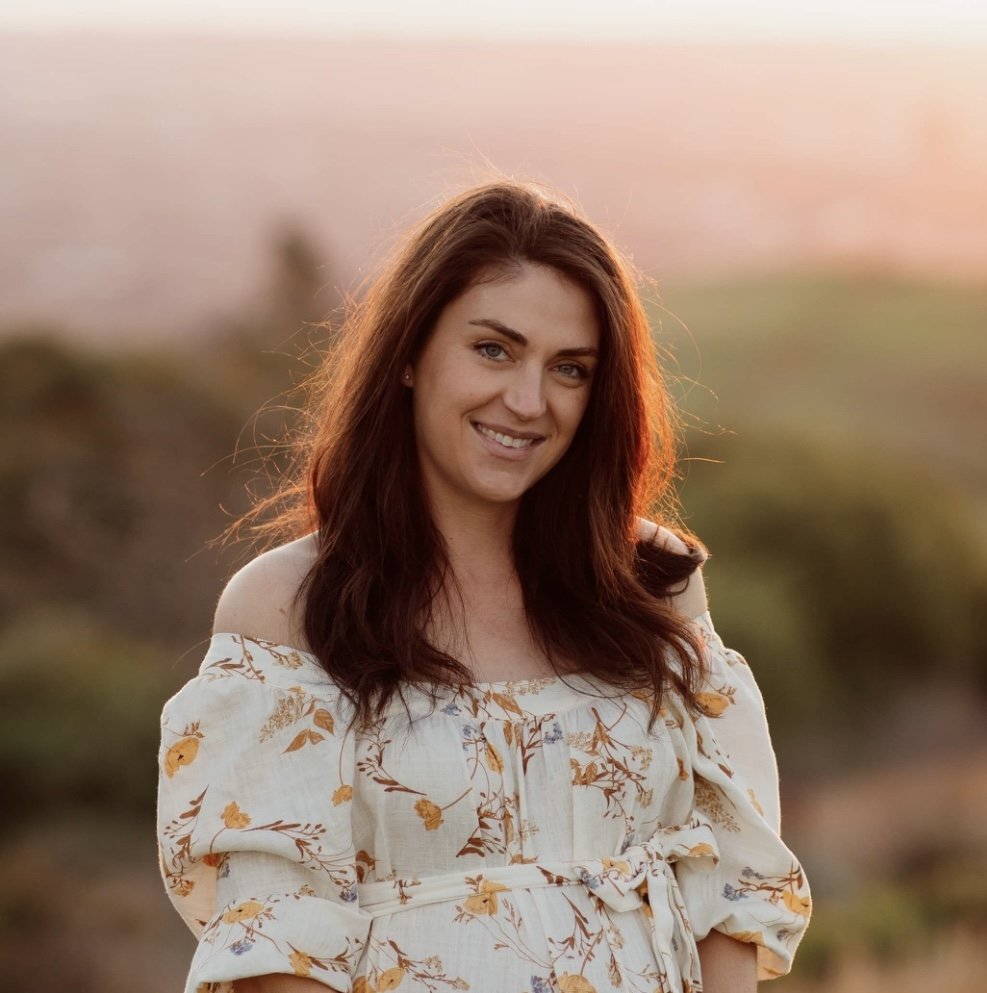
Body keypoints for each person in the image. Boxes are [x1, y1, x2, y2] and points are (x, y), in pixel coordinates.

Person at [157, 181, 811, 993]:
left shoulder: (651, 584)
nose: (527, 401)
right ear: (408, 353)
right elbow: (275, 943)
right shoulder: (289, 607)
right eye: (493, 349)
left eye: (568, 369)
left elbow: (729, 889)